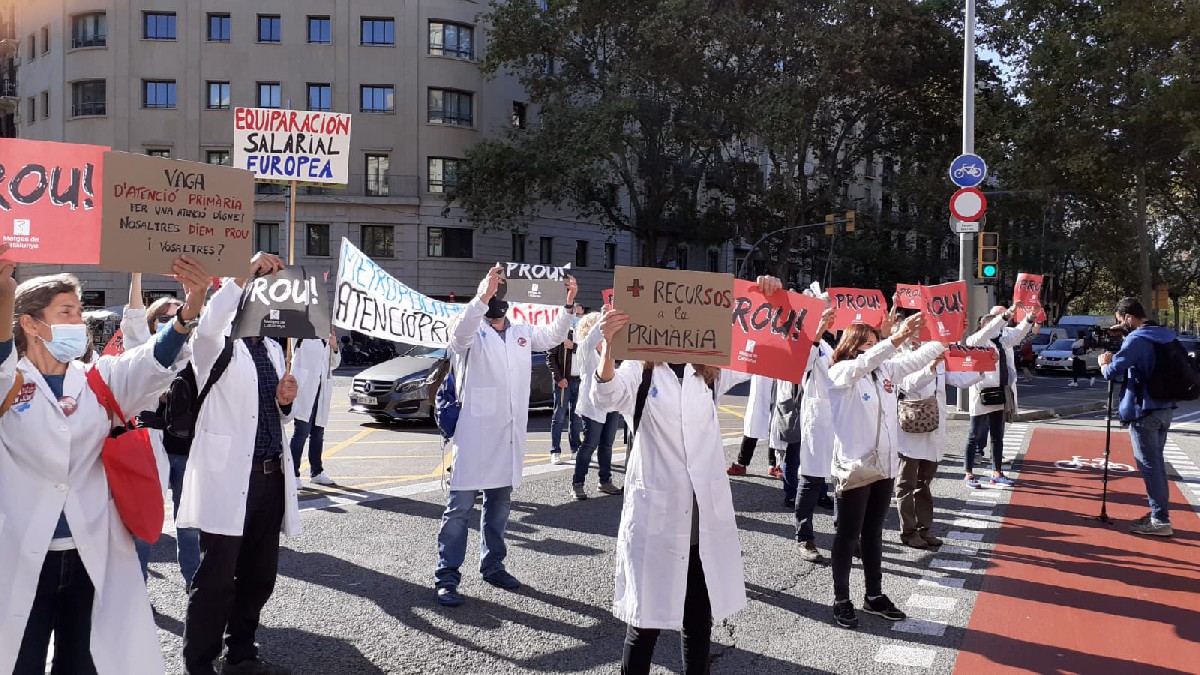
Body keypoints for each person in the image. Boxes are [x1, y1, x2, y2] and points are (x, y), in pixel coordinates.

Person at [0, 252, 211, 675]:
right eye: (66, 312)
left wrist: (189, 310)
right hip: (20, 556)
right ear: (30, 324)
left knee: (82, 663)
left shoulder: (97, 378)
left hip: (89, 554)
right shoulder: (9, 381)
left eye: (79, 312)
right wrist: (5, 291)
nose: (78, 321)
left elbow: (151, 361)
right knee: (19, 662)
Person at [591, 275, 783, 675]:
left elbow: (762, 349)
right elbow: (605, 396)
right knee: (644, 624)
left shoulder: (708, 371)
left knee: (698, 621)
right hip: (658, 518)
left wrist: (771, 300)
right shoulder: (640, 370)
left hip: (701, 521)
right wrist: (609, 346)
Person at [180, 253, 301, 675]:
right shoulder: (213, 344)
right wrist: (241, 273)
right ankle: (198, 663)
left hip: (270, 478)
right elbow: (211, 319)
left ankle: (242, 652)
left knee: (259, 576)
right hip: (230, 480)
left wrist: (285, 403)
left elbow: (273, 415)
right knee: (216, 579)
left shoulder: (271, 348)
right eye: (257, 295)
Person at [435, 265, 575, 607]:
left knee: (499, 507)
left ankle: (493, 566)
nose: (497, 301)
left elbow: (553, 336)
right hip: (474, 434)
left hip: (507, 435)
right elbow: (460, 336)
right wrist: (482, 296)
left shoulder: (521, 331)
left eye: (501, 294)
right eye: (492, 294)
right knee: (459, 509)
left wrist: (568, 304)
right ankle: (447, 576)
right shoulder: (469, 327)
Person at [827, 313, 944, 629]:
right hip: (855, 467)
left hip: (885, 465)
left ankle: (874, 595)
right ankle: (841, 599)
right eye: (866, 343)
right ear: (851, 345)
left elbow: (914, 360)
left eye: (874, 342)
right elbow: (865, 362)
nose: (872, 348)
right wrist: (896, 338)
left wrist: (942, 338)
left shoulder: (885, 373)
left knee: (873, 532)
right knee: (847, 535)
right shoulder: (841, 373)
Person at [122, 275, 201, 585]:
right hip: (151, 449)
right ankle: (136, 588)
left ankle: (194, 583)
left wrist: (196, 294)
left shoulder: (195, 353)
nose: (172, 322)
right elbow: (134, 318)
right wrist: (136, 274)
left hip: (187, 450)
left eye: (178, 316)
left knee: (189, 524)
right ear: (153, 321)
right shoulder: (144, 352)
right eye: (164, 318)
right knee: (144, 525)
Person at [895, 325, 985, 548]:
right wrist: (931, 367)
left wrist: (982, 366)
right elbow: (908, 385)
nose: (918, 335)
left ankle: (924, 529)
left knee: (924, 482)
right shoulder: (900, 356)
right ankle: (908, 532)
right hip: (911, 427)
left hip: (933, 426)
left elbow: (958, 379)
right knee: (906, 484)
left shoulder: (936, 353)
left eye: (922, 330)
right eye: (914, 331)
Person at [1100, 298, 1177, 537]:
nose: (1120, 324)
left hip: (1144, 409)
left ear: (1128, 317)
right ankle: (1159, 513)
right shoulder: (1164, 335)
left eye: (1121, 320)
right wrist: (1125, 335)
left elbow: (1113, 371)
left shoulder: (1136, 339)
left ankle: (1160, 520)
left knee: (1149, 466)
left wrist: (1104, 364)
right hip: (1165, 406)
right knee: (1157, 464)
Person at [962, 305, 1039, 488]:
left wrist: (1030, 317)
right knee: (974, 435)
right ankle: (968, 474)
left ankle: (997, 472)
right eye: (995, 325)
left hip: (1001, 392)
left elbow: (1019, 333)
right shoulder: (976, 340)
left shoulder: (1003, 341)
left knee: (997, 435)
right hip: (982, 394)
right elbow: (990, 329)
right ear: (985, 326)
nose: (999, 328)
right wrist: (1004, 316)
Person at [792, 308, 838, 563]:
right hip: (818, 421)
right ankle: (804, 537)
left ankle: (846, 536)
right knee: (811, 480)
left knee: (843, 481)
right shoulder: (809, 343)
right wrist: (817, 333)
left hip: (842, 420)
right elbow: (802, 364)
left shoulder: (839, 344)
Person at [570, 310, 623, 500]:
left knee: (607, 444)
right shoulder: (585, 349)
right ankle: (577, 484)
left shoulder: (609, 349)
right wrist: (604, 318)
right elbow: (594, 337)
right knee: (589, 444)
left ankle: (605, 481)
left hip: (611, 403)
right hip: (592, 405)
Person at [289, 331, 342, 489]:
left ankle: (317, 472)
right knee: (301, 432)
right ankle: (293, 474)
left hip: (321, 391)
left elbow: (334, 364)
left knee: (318, 433)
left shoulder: (326, 337)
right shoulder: (300, 335)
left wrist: (335, 347)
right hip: (305, 391)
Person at [548, 303, 585, 464]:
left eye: (579, 314)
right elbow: (550, 357)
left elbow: (590, 351)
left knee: (576, 418)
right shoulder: (561, 333)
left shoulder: (583, 333)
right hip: (564, 381)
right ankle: (555, 450)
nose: (577, 316)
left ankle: (575, 448)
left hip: (580, 380)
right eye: (575, 314)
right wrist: (559, 378)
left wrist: (574, 346)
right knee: (559, 416)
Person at [726, 374, 780, 477]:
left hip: (781, 381)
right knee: (753, 424)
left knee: (776, 425)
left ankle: (775, 464)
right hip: (762, 380)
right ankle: (742, 463)